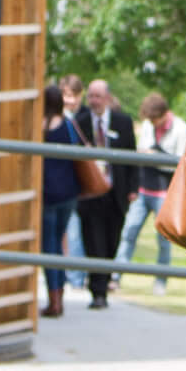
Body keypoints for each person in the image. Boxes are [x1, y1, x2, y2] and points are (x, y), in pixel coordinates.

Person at [74, 79, 136, 311]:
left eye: (98, 96)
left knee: (111, 242)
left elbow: (132, 157)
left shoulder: (123, 122)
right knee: (93, 242)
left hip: (116, 193)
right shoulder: (80, 124)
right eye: (91, 96)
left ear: (108, 98)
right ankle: (98, 292)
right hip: (90, 194)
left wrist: (133, 188)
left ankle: (104, 280)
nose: (94, 101)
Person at [118, 92, 186, 293]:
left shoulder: (180, 129)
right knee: (129, 232)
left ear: (165, 114)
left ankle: (161, 281)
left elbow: (179, 163)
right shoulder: (149, 125)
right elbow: (142, 150)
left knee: (163, 240)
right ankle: (116, 274)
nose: (152, 123)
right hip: (143, 188)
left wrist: (155, 156)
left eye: (154, 119)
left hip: (164, 191)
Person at [39, 81, 87, 318]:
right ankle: (59, 297)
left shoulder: (40, 128)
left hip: (47, 194)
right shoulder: (68, 125)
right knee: (58, 243)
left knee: (50, 247)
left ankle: (54, 299)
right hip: (69, 193)